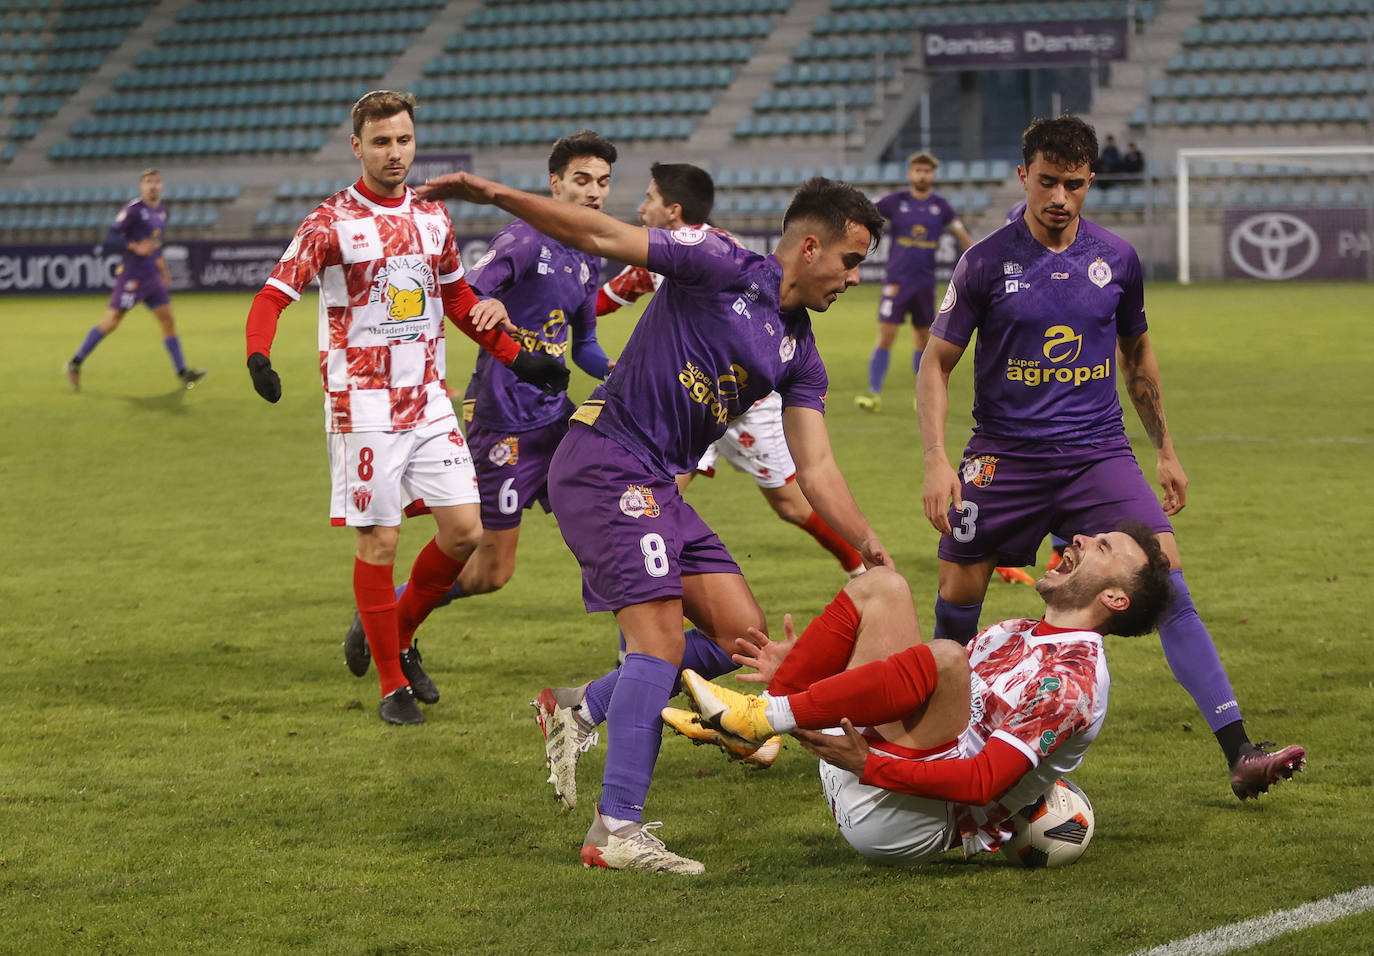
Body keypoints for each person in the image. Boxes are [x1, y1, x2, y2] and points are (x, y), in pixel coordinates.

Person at [417, 170, 892, 874]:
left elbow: (815, 468)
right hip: (605, 458)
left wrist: (869, 545)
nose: (854, 278)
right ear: (812, 247)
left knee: (743, 637)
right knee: (659, 644)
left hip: (659, 485)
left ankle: (581, 706)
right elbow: (602, 233)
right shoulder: (719, 260)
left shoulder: (801, 352)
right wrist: (494, 197)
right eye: (852, 261)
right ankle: (616, 829)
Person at [915, 114, 1305, 800]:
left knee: (1167, 577)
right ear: (1023, 178)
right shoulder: (984, 261)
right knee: (960, 592)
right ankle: (937, 735)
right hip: (1004, 457)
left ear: (1091, 181)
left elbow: (1138, 356)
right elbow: (936, 363)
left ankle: (1239, 749)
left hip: (1098, 454)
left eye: (1073, 183)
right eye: (1046, 182)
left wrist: (1166, 450)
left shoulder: (1118, 260)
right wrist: (935, 462)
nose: (1059, 197)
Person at [671, 525, 1285, 865]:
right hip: (876, 766)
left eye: (1100, 548)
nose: (1077, 539)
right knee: (882, 585)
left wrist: (871, 763)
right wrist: (812, 674)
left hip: (900, 817)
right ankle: (777, 707)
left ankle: (765, 717)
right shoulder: (1015, 630)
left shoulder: (1071, 681)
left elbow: (984, 781)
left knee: (946, 657)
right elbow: (906, 686)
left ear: (1115, 600)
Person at [242, 90, 569, 725]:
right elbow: (272, 295)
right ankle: (392, 684)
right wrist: (259, 355)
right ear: (357, 146)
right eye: (383, 141)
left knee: (466, 531)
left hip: (428, 401)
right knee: (380, 539)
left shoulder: (433, 218)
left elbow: (458, 298)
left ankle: (394, 629)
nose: (396, 153)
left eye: (405, 141)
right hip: (361, 404)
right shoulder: (329, 222)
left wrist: (517, 356)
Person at [340, 130, 619, 691]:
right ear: (555, 184)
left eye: (603, 183)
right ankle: (387, 620)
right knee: (493, 572)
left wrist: (617, 374)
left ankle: (639, 652)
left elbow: (583, 341)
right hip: (506, 420)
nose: (594, 193)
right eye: (582, 180)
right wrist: (488, 298)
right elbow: (468, 291)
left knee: (616, 508)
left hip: (555, 415)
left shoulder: (588, 255)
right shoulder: (521, 240)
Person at [596, 162, 864, 578]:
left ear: (673, 210)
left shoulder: (718, 253)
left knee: (789, 502)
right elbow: (603, 302)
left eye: (650, 197)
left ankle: (857, 561)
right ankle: (642, 613)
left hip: (747, 402)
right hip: (689, 401)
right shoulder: (649, 257)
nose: (642, 206)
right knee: (657, 497)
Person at [65, 168, 206, 391]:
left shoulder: (162, 212)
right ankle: (75, 362)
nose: (152, 185)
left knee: (167, 320)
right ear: (142, 187)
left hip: (152, 276)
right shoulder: (133, 210)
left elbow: (155, 245)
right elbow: (112, 237)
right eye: (148, 182)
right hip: (132, 276)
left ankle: (182, 373)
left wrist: (164, 271)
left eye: (156, 182)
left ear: (161, 186)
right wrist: (134, 246)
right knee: (111, 322)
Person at [855, 151, 974, 414]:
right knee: (886, 335)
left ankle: (919, 393)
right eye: (918, 170)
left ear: (933, 175)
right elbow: (865, 213)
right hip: (896, 281)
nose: (923, 175)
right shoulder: (895, 202)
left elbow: (962, 236)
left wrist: (978, 260)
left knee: (923, 339)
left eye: (927, 171)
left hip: (924, 284)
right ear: (910, 174)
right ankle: (873, 393)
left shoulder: (941, 207)